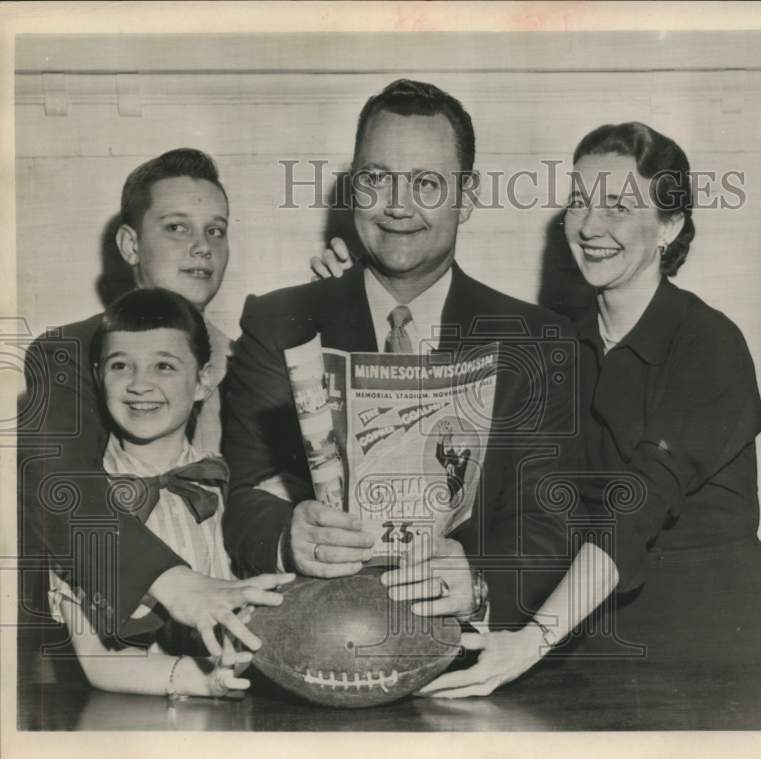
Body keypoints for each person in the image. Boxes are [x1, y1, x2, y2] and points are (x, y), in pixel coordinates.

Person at [315, 122, 761, 699]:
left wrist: (530, 643)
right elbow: (463, 471)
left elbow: (633, 508)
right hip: (584, 639)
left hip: (708, 645)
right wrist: (358, 290)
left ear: (670, 224)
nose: (589, 226)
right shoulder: (555, 344)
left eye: (618, 206)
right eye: (580, 202)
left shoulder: (708, 344)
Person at [222, 79, 581, 628]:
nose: (397, 205)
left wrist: (481, 580)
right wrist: (285, 535)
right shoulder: (278, 322)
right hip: (320, 642)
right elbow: (242, 492)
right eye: (376, 178)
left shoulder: (538, 341)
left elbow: (552, 521)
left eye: (427, 183)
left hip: (471, 661)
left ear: (468, 197)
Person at [20, 148, 272, 654]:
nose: (202, 247)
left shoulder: (247, 360)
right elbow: (59, 487)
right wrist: (176, 583)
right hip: (96, 654)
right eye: (177, 228)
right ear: (131, 245)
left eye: (216, 231)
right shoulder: (65, 352)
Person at [45, 288, 293, 697]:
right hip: (137, 717)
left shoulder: (229, 485)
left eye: (164, 365)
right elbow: (98, 660)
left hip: (243, 701)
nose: (140, 384)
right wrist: (203, 680)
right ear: (97, 377)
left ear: (203, 381)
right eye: (121, 365)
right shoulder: (80, 507)